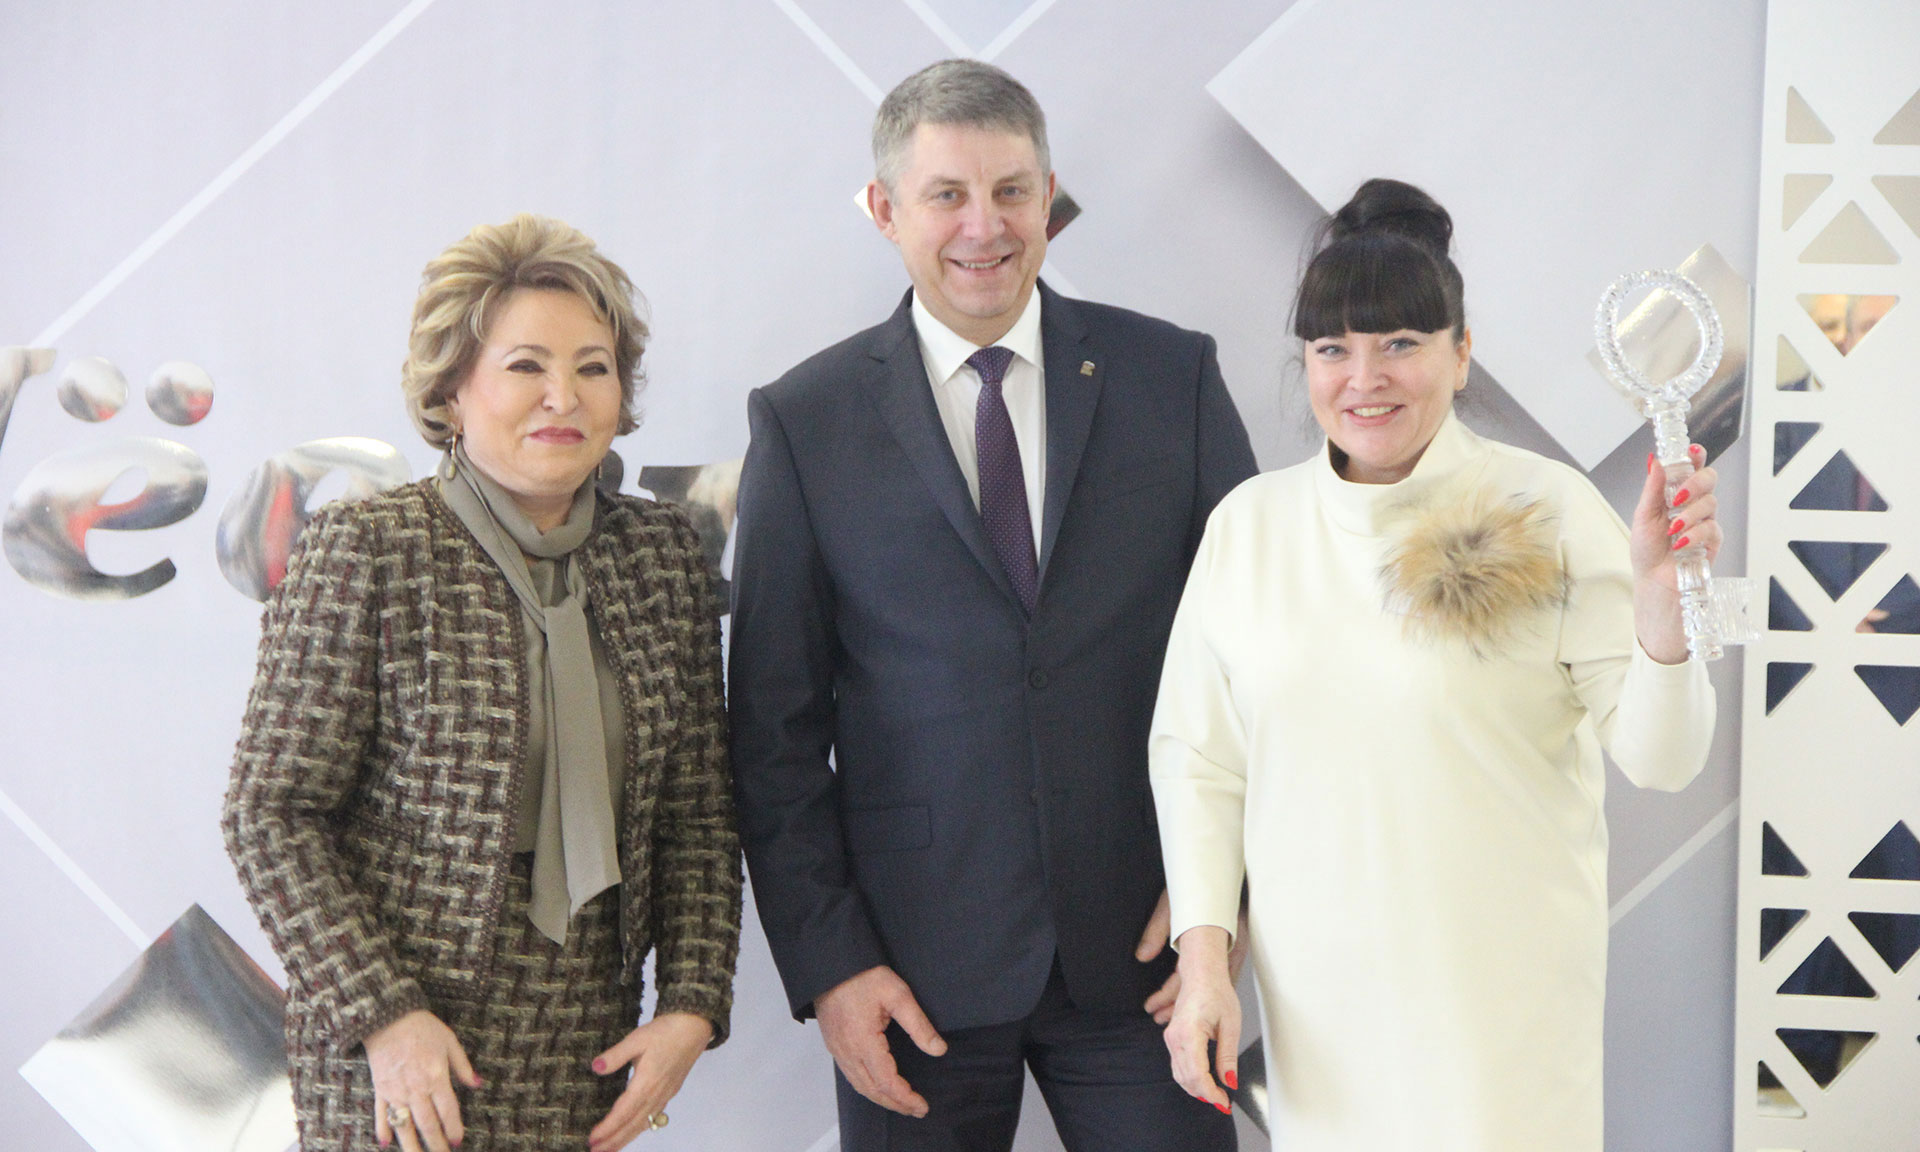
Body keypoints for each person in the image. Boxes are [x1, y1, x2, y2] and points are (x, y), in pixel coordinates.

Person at [728, 59, 1257, 1152]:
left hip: (1150, 957)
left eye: (1013, 191)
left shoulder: (1173, 377)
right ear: (885, 211)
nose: (985, 227)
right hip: (907, 975)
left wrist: (1228, 894)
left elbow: (1261, 656)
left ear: (1050, 197)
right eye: (947, 196)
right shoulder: (804, 420)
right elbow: (774, 732)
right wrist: (832, 965)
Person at [1150, 179, 1719, 1152]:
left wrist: (1664, 618)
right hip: (1320, 1018)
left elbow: (1663, 760)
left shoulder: (1545, 507)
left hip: (1503, 1012)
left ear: (1461, 355)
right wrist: (1205, 961)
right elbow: (1199, 760)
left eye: (1402, 344)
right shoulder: (1250, 528)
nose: (1364, 379)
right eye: (1334, 349)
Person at [222, 214, 740, 1152]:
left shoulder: (660, 555)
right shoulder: (370, 549)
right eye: (525, 365)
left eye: (592, 367)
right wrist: (384, 1016)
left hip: (586, 1053)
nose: (563, 397)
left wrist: (693, 1004)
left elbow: (697, 812)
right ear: (452, 390)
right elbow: (272, 813)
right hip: (399, 1061)